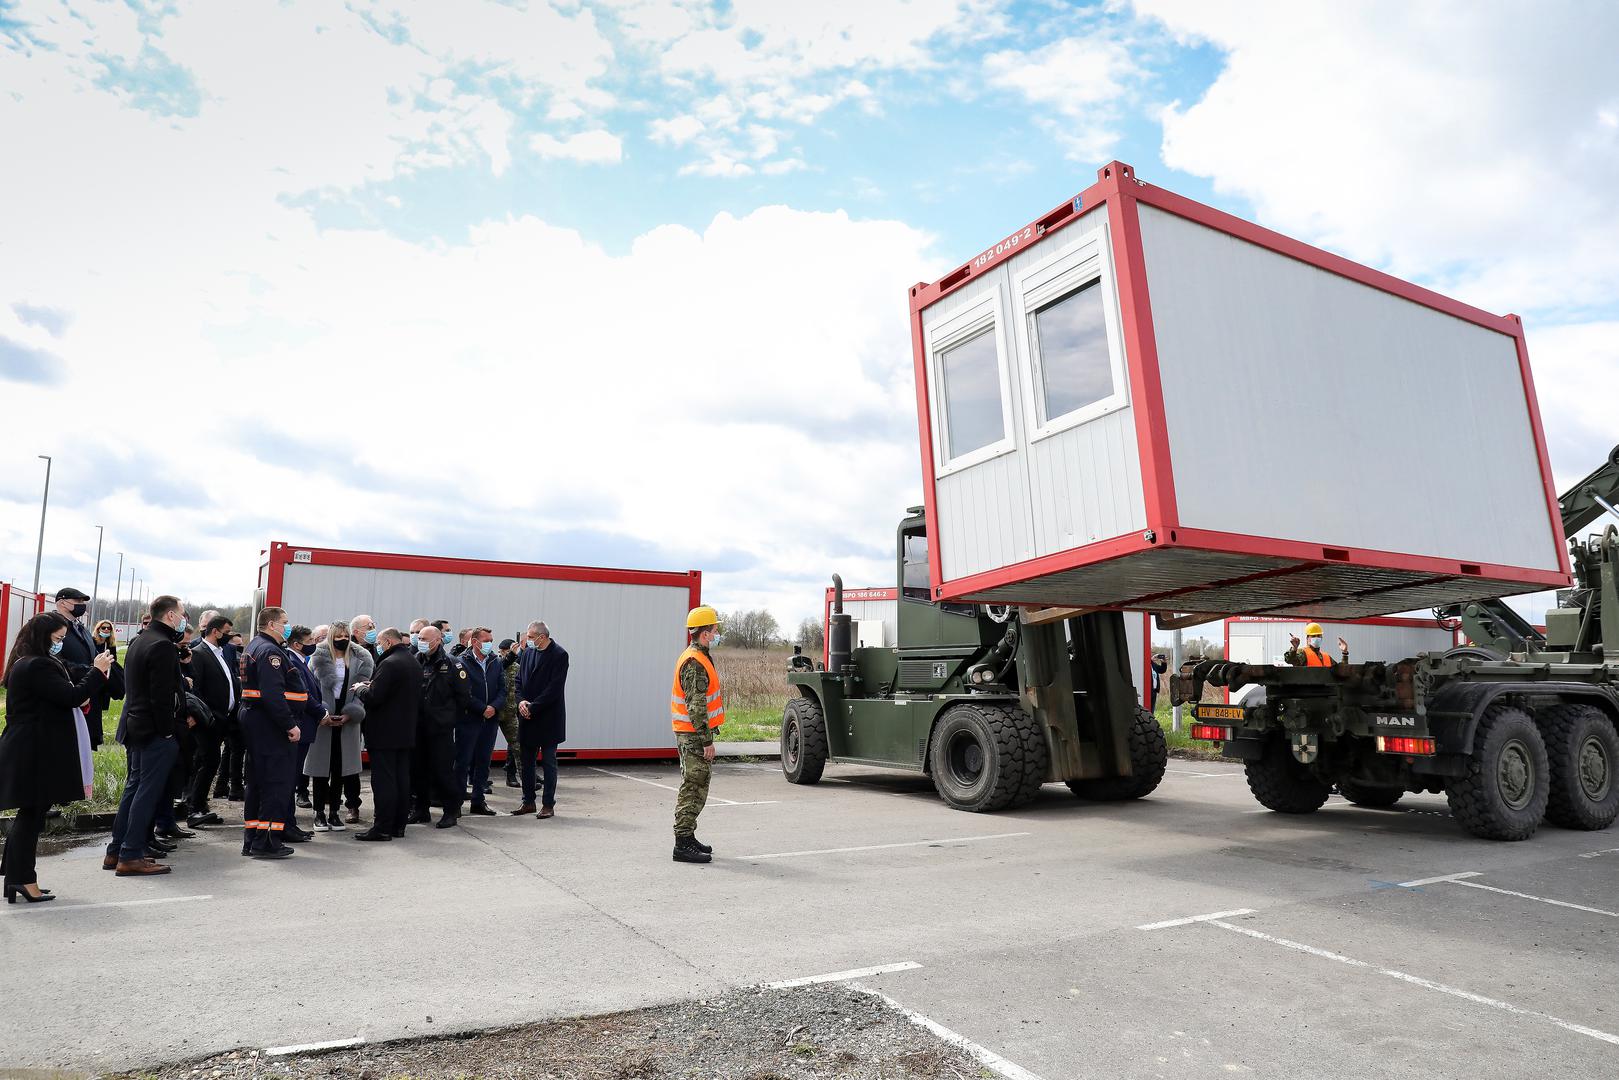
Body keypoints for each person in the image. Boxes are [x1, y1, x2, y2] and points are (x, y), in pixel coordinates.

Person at [1, 613, 112, 902]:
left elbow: (61, 697)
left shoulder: (26, 662)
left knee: (31, 813)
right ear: (42, 637)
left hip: (29, 746)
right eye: (57, 639)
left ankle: (15, 877)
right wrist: (97, 671)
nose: (60, 644)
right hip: (33, 749)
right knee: (32, 814)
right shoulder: (37, 665)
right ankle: (23, 879)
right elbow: (71, 696)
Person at [104, 596, 188, 876]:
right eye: (182, 614)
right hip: (153, 730)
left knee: (134, 788)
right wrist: (166, 732)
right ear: (171, 616)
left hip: (136, 726)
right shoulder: (162, 646)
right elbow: (161, 696)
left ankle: (117, 850)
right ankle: (130, 855)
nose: (183, 619)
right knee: (146, 793)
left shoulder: (142, 639)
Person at [238, 606, 303, 860]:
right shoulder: (269, 652)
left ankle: (253, 839)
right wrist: (289, 724)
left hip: (259, 722)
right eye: (285, 622)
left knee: (257, 782)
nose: (288, 626)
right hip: (270, 725)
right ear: (272, 625)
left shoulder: (255, 646)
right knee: (276, 784)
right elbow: (273, 694)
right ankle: (266, 841)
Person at [670, 606, 724, 864]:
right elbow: (696, 705)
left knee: (697, 785)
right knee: (693, 786)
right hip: (693, 736)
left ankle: (688, 835)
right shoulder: (694, 662)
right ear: (704, 633)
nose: (716, 634)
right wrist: (707, 741)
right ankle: (682, 843)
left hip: (692, 734)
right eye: (714, 630)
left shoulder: (697, 656)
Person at [353, 628, 418, 842]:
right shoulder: (411, 661)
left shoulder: (389, 663)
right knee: (402, 779)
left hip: (384, 732)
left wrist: (361, 689)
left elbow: (374, 696)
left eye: (380, 642)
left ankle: (382, 828)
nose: (378, 646)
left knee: (384, 782)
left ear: (388, 642)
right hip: (405, 731)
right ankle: (398, 826)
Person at [307, 620, 372, 829]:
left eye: (346, 636)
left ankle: (335, 812)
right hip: (322, 720)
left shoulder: (361, 657)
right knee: (320, 770)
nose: (343, 640)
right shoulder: (318, 656)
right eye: (339, 636)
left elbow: (363, 689)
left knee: (340, 769)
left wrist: (351, 713)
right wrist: (321, 712)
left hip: (348, 721)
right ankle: (318, 813)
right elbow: (311, 688)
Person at [412, 626, 471, 829]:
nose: (420, 641)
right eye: (419, 637)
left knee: (443, 771)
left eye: (424, 638)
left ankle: (450, 810)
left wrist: (448, 719)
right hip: (418, 726)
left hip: (441, 728)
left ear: (437, 640)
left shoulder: (453, 665)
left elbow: (463, 697)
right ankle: (421, 809)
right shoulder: (415, 661)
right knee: (419, 770)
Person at [185, 614, 237, 827]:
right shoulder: (200, 653)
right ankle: (194, 807)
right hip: (208, 720)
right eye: (226, 632)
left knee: (211, 762)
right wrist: (208, 716)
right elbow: (196, 689)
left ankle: (200, 805)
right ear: (215, 631)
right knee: (206, 761)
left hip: (223, 718)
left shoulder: (221, 653)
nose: (229, 636)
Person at [513, 620, 568, 818]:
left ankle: (548, 804)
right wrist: (521, 702)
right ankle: (528, 801)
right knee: (527, 762)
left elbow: (554, 688)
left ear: (542, 637)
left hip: (548, 717)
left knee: (548, 762)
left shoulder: (559, 655)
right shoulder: (528, 653)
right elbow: (518, 681)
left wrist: (533, 707)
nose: (527, 641)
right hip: (527, 715)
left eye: (530, 637)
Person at [282, 626, 327, 838]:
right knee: (289, 779)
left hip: (305, 726)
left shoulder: (299, 660)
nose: (314, 643)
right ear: (298, 644)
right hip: (299, 726)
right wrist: (321, 712)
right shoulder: (292, 661)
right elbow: (304, 694)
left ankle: (289, 824)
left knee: (292, 777)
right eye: (310, 640)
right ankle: (287, 825)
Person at [456, 628, 504, 816]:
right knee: (462, 762)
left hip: (490, 720)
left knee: (483, 762)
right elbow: (462, 693)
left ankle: (478, 801)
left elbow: (502, 688)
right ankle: (457, 802)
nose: (489, 643)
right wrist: (482, 708)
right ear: (475, 642)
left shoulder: (495, 661)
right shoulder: (461, 662)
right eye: (486, 640)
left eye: (491, 640)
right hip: (469, 719)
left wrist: (493, 707)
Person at [87, 619, 126, 750]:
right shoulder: (92, 642)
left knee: (98, 707)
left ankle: (97, 736)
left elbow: (113, 662)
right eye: (103, 628)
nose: (105, 630)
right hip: (94, 675)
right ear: (98, 629)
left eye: (108, 628)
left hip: (105, 680)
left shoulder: (111, 645)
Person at [496, 638, 522, 788]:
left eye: (503, 651)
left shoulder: (517, 667)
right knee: (484, 749)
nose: (501, 653)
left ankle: (523, 779)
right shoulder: (495, 665)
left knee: (517, 746)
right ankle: (478, 780)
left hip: (511, 712)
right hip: (495, 711)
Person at [1285, 623, 1349, 668]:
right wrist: (1294, 648)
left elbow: (1341, 671)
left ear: (1321, 638)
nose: (1316, 638)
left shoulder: (1326, 656)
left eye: (1318, 636)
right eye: (1313, 636)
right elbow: (1291, 660)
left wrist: (1345, 653)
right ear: (1307, 638)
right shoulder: (1303, 653)